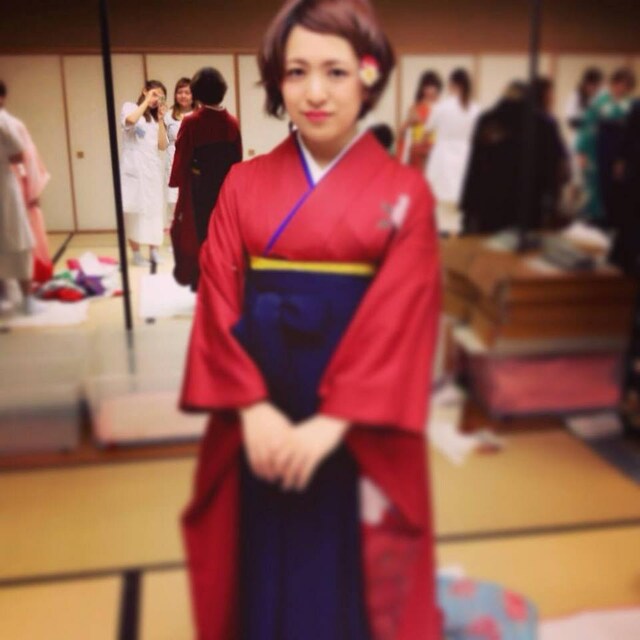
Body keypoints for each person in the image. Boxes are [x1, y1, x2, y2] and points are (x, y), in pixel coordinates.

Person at [179, 1, 442, 638]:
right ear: (277, 81)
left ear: (369, 76)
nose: (315, 92)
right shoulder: (243, 184)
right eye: (297, 72)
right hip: (261, 412)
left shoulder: (405, 193)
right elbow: (218, 300)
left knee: (353, 571)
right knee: (261, 559)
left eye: (336, 71)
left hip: (356, 420)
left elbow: (403, 318)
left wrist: (332, 424)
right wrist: (251, 410)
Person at [461, 80, 568, 234]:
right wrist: (552, 206)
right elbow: (556, 171)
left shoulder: (487, 121)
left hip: (490, 207)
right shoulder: (544, 125)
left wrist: (468, 208)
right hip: (529, 207)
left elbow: (474, 169)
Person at [168, 67, 242, 288]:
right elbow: (237, 158)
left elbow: (182, 154)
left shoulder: (192, 122)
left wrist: (177, 180)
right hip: (225, 187)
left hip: (199, 187)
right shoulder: (232, 122)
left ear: (197, 93)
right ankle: (222, 276)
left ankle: (203, 279)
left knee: (199, 233)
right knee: (222, 232)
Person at [0, 80, 53, 286]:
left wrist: (32, 191)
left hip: (10, 182)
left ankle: (25, 289)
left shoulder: (9, 123)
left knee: (17, 236)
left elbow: (24, 157)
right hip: (8, 179)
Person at [576, 67, 636, 227]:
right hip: (599, 146)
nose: (622, 88)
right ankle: (597, 217)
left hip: (623, 147)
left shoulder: (632, 103)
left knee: (619, 182)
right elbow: (587, 127)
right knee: (597, 182)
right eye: (619, 84)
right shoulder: (599, 102)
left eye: (626, 85)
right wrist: (582, 151)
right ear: (613, 83)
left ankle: (615, 218)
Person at [425, 68, 480, 235]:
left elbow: (427, 130)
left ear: (451, 85)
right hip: (467, 156)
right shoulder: (476, 109)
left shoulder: (441, 107)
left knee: (441, 206)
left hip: (442, 157)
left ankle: (443, 236)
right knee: (461, 205)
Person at [120, 80, 168, 266]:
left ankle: (154, 251)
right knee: (134, 213)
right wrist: (147, 101)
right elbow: (130, 121)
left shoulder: (156, 119)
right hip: (134, 170)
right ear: (144, 91)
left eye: (160, 97)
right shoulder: (130, 107)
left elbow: (162, 145)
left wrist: (161, 119)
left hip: (152, 171)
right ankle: (136, 254)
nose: (156, 99)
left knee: (154, 212)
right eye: (154, 94)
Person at [0, 83, 37, 314]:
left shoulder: (7, 122)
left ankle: (26, 298)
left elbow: (19, 155)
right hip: (5, 182)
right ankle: (12, 294)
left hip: (5, 184)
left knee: (16, 237)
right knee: (11, 239)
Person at [396, 70, 443, 170]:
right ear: (422, 88)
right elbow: (401, 132)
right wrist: (409, 122)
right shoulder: (415, 107)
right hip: (417, 152)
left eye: (433, 87)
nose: (430, 90)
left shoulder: (442, 108)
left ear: (438, 88)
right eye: (427, 87)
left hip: (436, 152)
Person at [165, 77, 194, 224]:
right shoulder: (168, 115)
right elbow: (161, 141)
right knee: (173, 201)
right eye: (180, 92)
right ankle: (175, 232)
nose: (183, 96)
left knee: (192, 200)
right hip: (172, 161)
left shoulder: (198, 113)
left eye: (187, 93)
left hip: (193, 161)